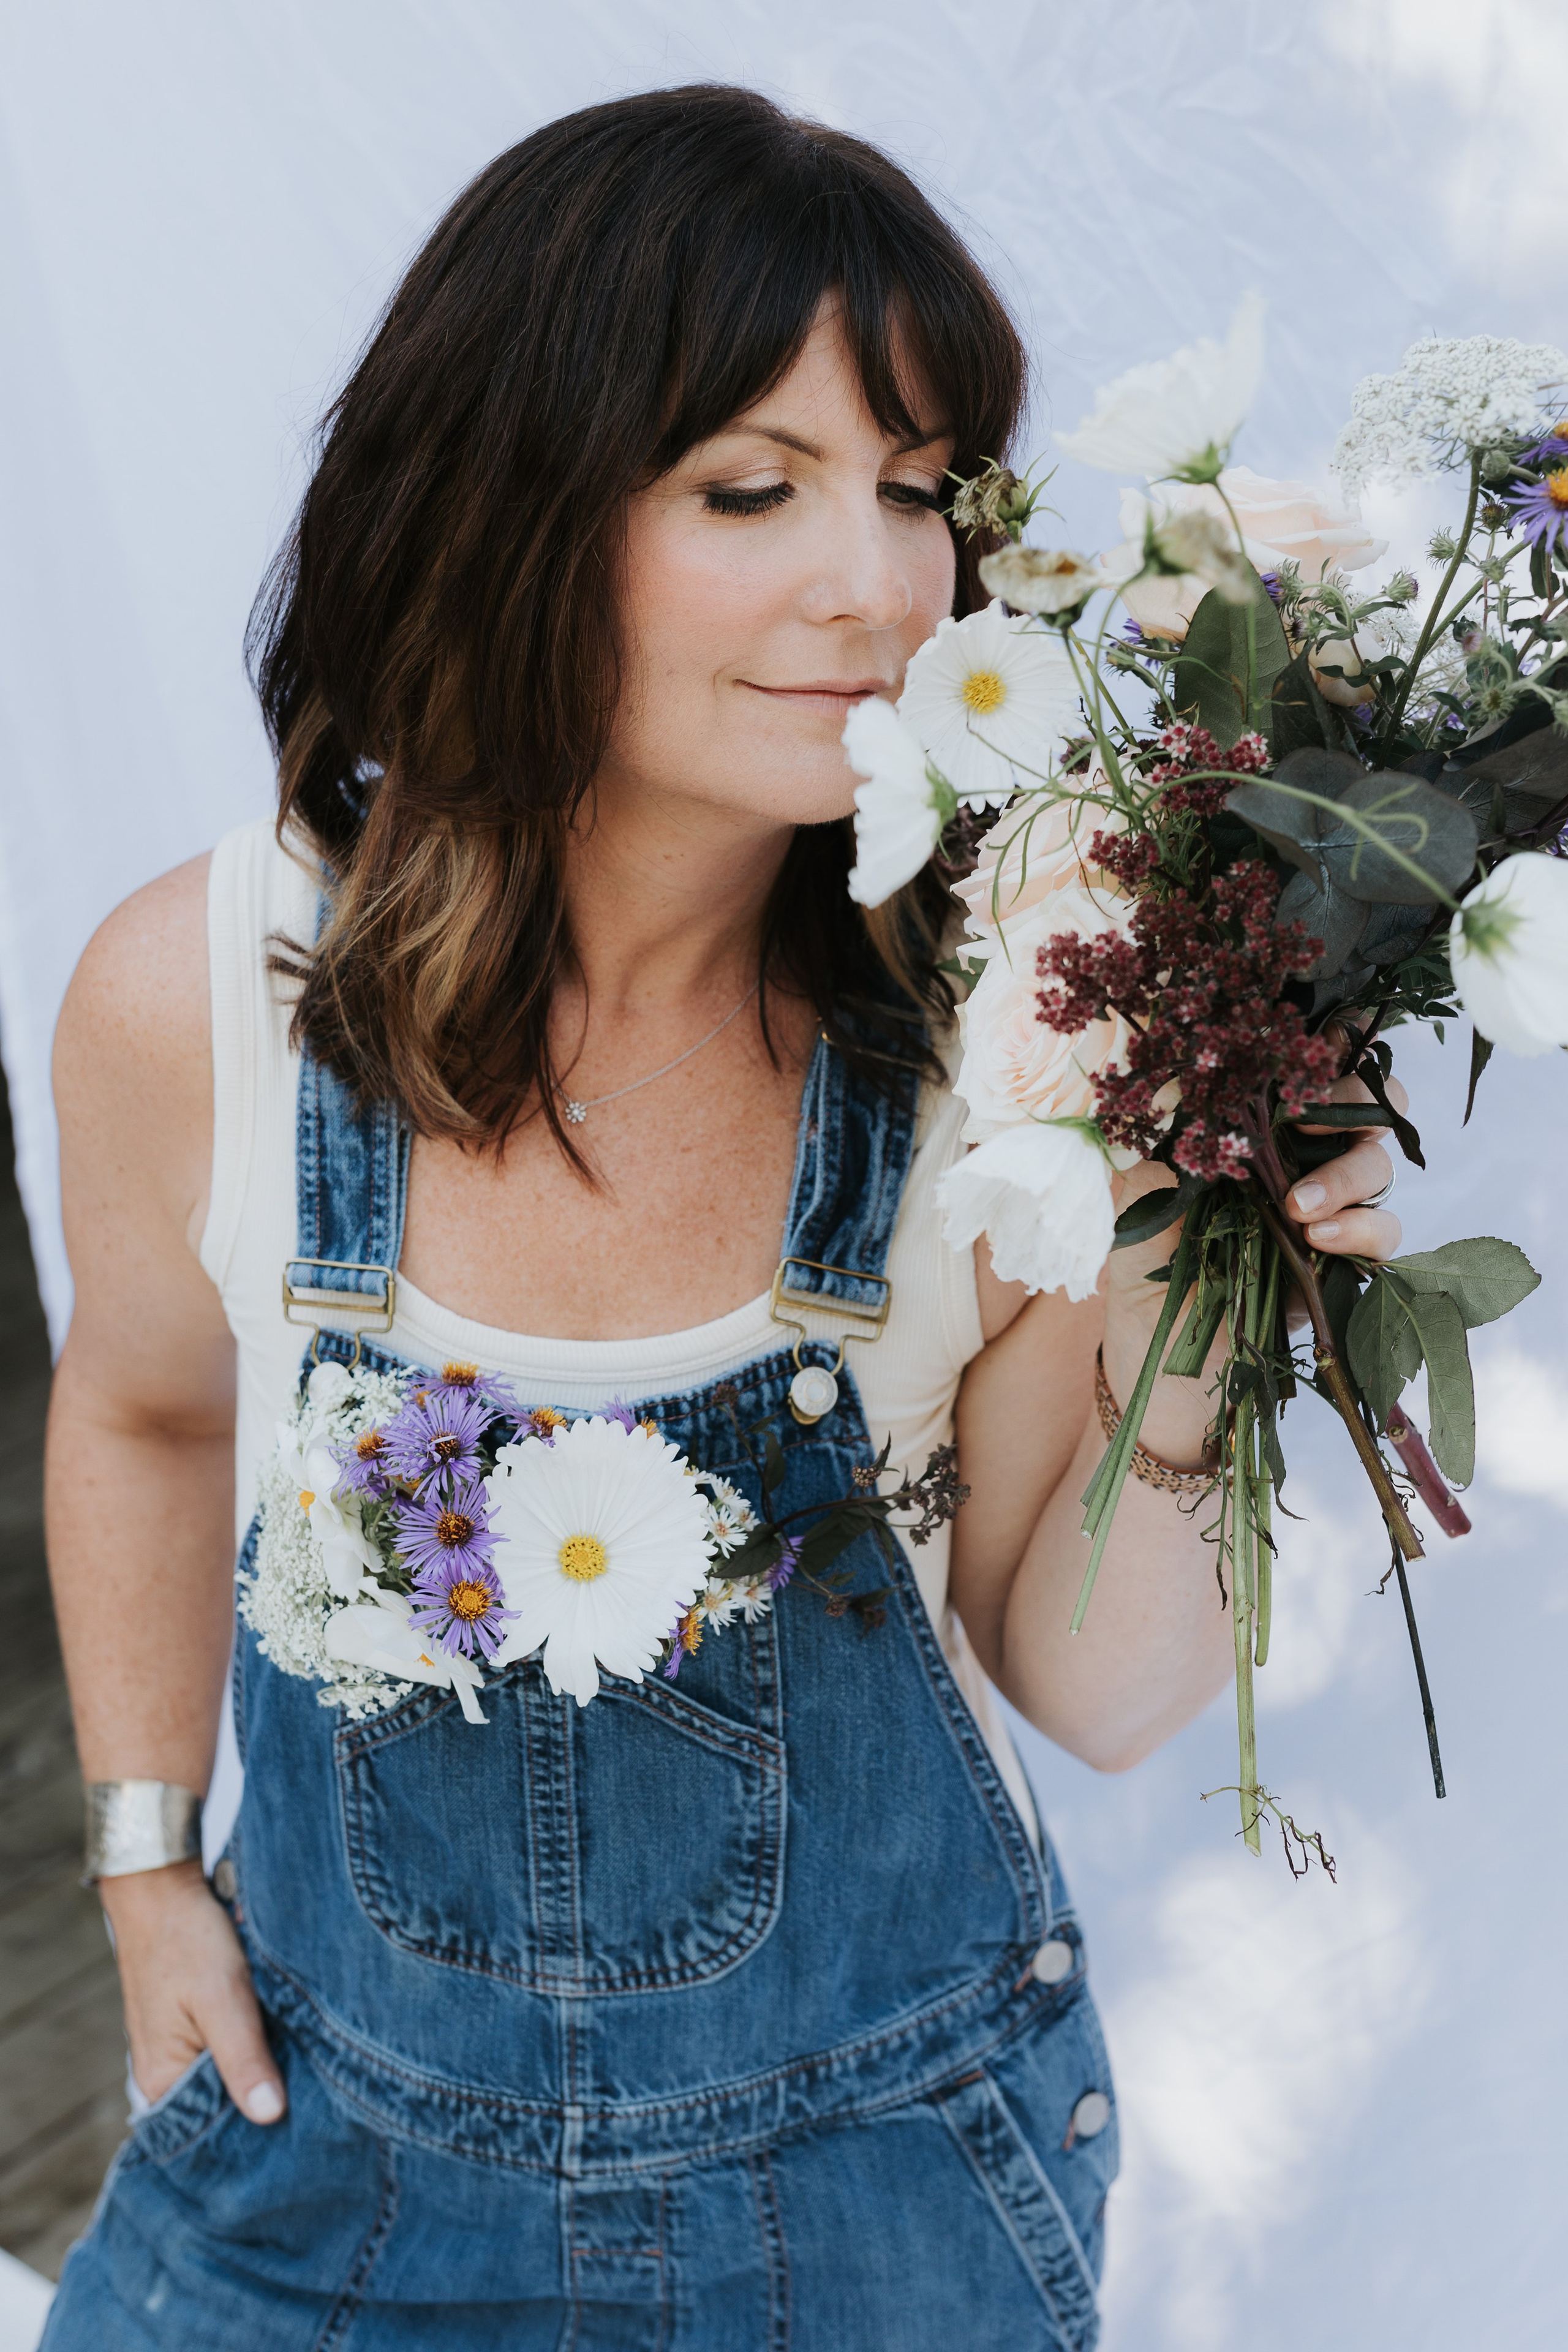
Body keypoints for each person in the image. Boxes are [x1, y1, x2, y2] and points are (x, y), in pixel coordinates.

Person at [40, 86, 1404, 2350]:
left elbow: (1099, 1687)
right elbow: (149, 1421)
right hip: (326, 2190)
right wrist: (142, 1866)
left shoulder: (1009, 1065)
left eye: (917, 491)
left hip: (877, 2224)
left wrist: (1205, 1289)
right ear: (508, 509)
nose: (875, 585)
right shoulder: (202, 1003)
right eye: (749, 490)